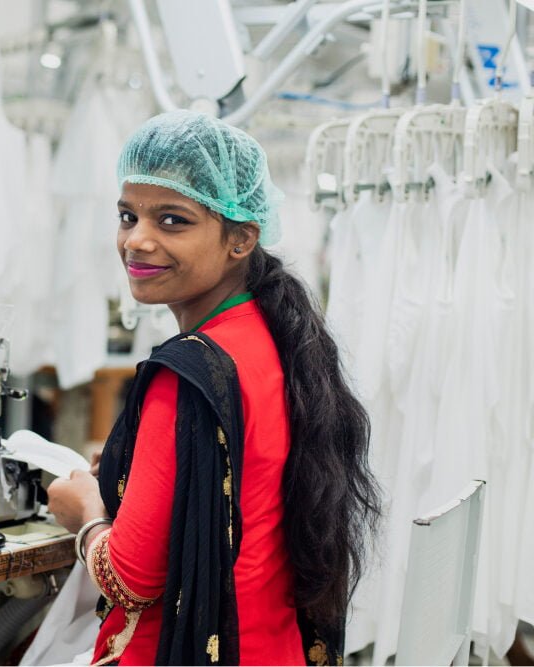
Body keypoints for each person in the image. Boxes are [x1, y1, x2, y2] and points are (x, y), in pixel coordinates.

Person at [47, 110, 381, 666]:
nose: (138, 241)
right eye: (128, 216)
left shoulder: (191, 374)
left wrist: (84, 513)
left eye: (172, 221)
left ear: (241, 239)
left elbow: (130, 582)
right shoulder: (280, 338)